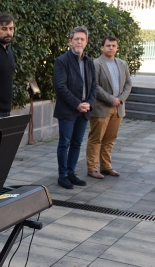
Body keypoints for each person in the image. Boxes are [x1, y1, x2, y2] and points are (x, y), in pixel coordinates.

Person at [53, 26, 97, 189]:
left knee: (77, 143)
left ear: (86, 42)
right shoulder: (62, 61)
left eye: (82, 39)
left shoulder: (89, 62)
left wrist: (89, 103)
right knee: (64, 143)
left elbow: (94, 86)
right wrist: (77, 104)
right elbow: (60, 86)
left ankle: (71, 173)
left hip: (84, 110)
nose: (79, 41)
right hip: (68, 110)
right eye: (76, 39)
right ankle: (62, 175)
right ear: (70, 41)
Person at [86, 36, 132, 178]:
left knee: (110, 139)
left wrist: (120, 99)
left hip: (118, 108)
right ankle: (92, 168)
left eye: (113, 46)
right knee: (96, 139)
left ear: (117, 47)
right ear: (102, 47)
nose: (111, 48)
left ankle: (106, 167)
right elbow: (95, 85)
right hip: (101, 108)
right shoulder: (96, 63)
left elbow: (128, 84)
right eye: (108, 45)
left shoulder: (123, 64)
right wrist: (111, 99)